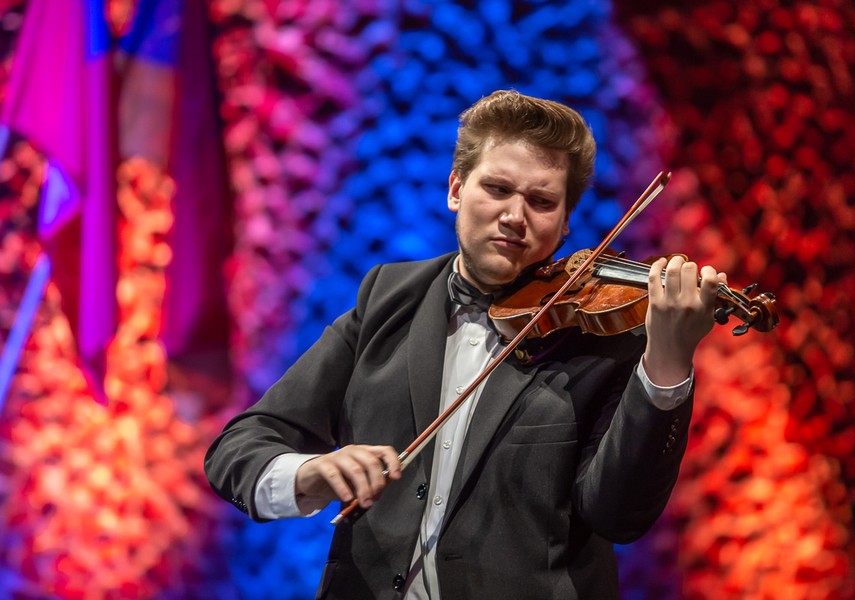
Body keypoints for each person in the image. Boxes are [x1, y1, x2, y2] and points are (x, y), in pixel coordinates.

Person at [205, 89, 723, 599]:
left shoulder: (602, 336)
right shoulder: (386, 297)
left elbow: (620, 515)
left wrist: (667, 363)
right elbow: (239, 447)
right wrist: (308, 472)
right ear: (456, 189)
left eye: (541, 201)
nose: (515, 216)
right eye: (497, 189)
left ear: (565, 224)